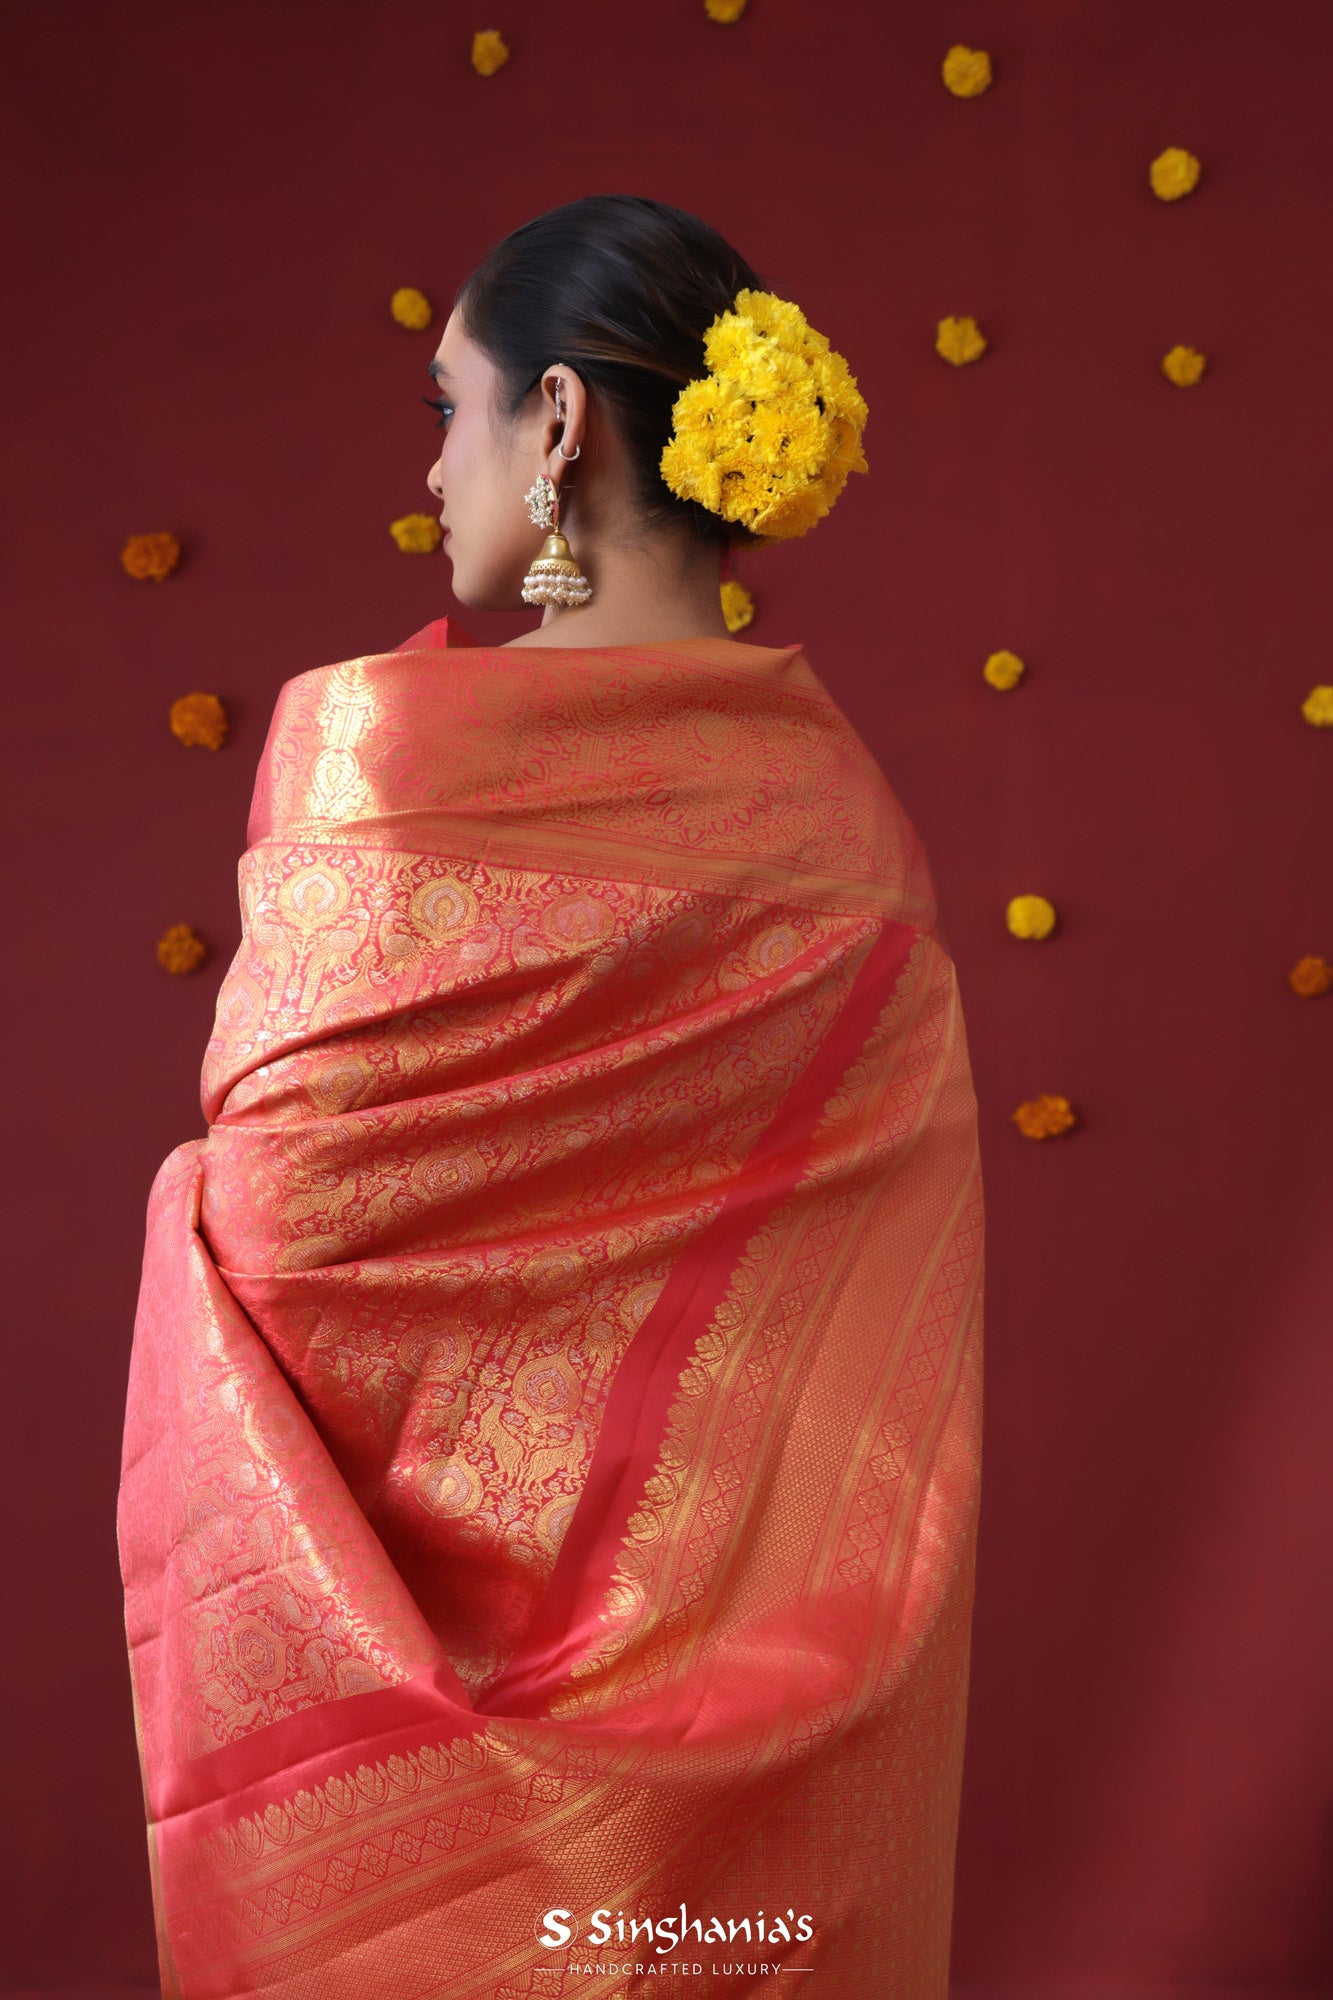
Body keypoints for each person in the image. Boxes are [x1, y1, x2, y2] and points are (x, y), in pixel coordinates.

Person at [119, 194, 984, 1999]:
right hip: (739, 1823)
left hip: (404, 1817)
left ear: (564, 423)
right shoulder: (852, 847)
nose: (435, 468)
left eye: (451, 409)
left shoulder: (375, 769)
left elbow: (277, 1237)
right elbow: (860, 1397)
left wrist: (182, 1214)